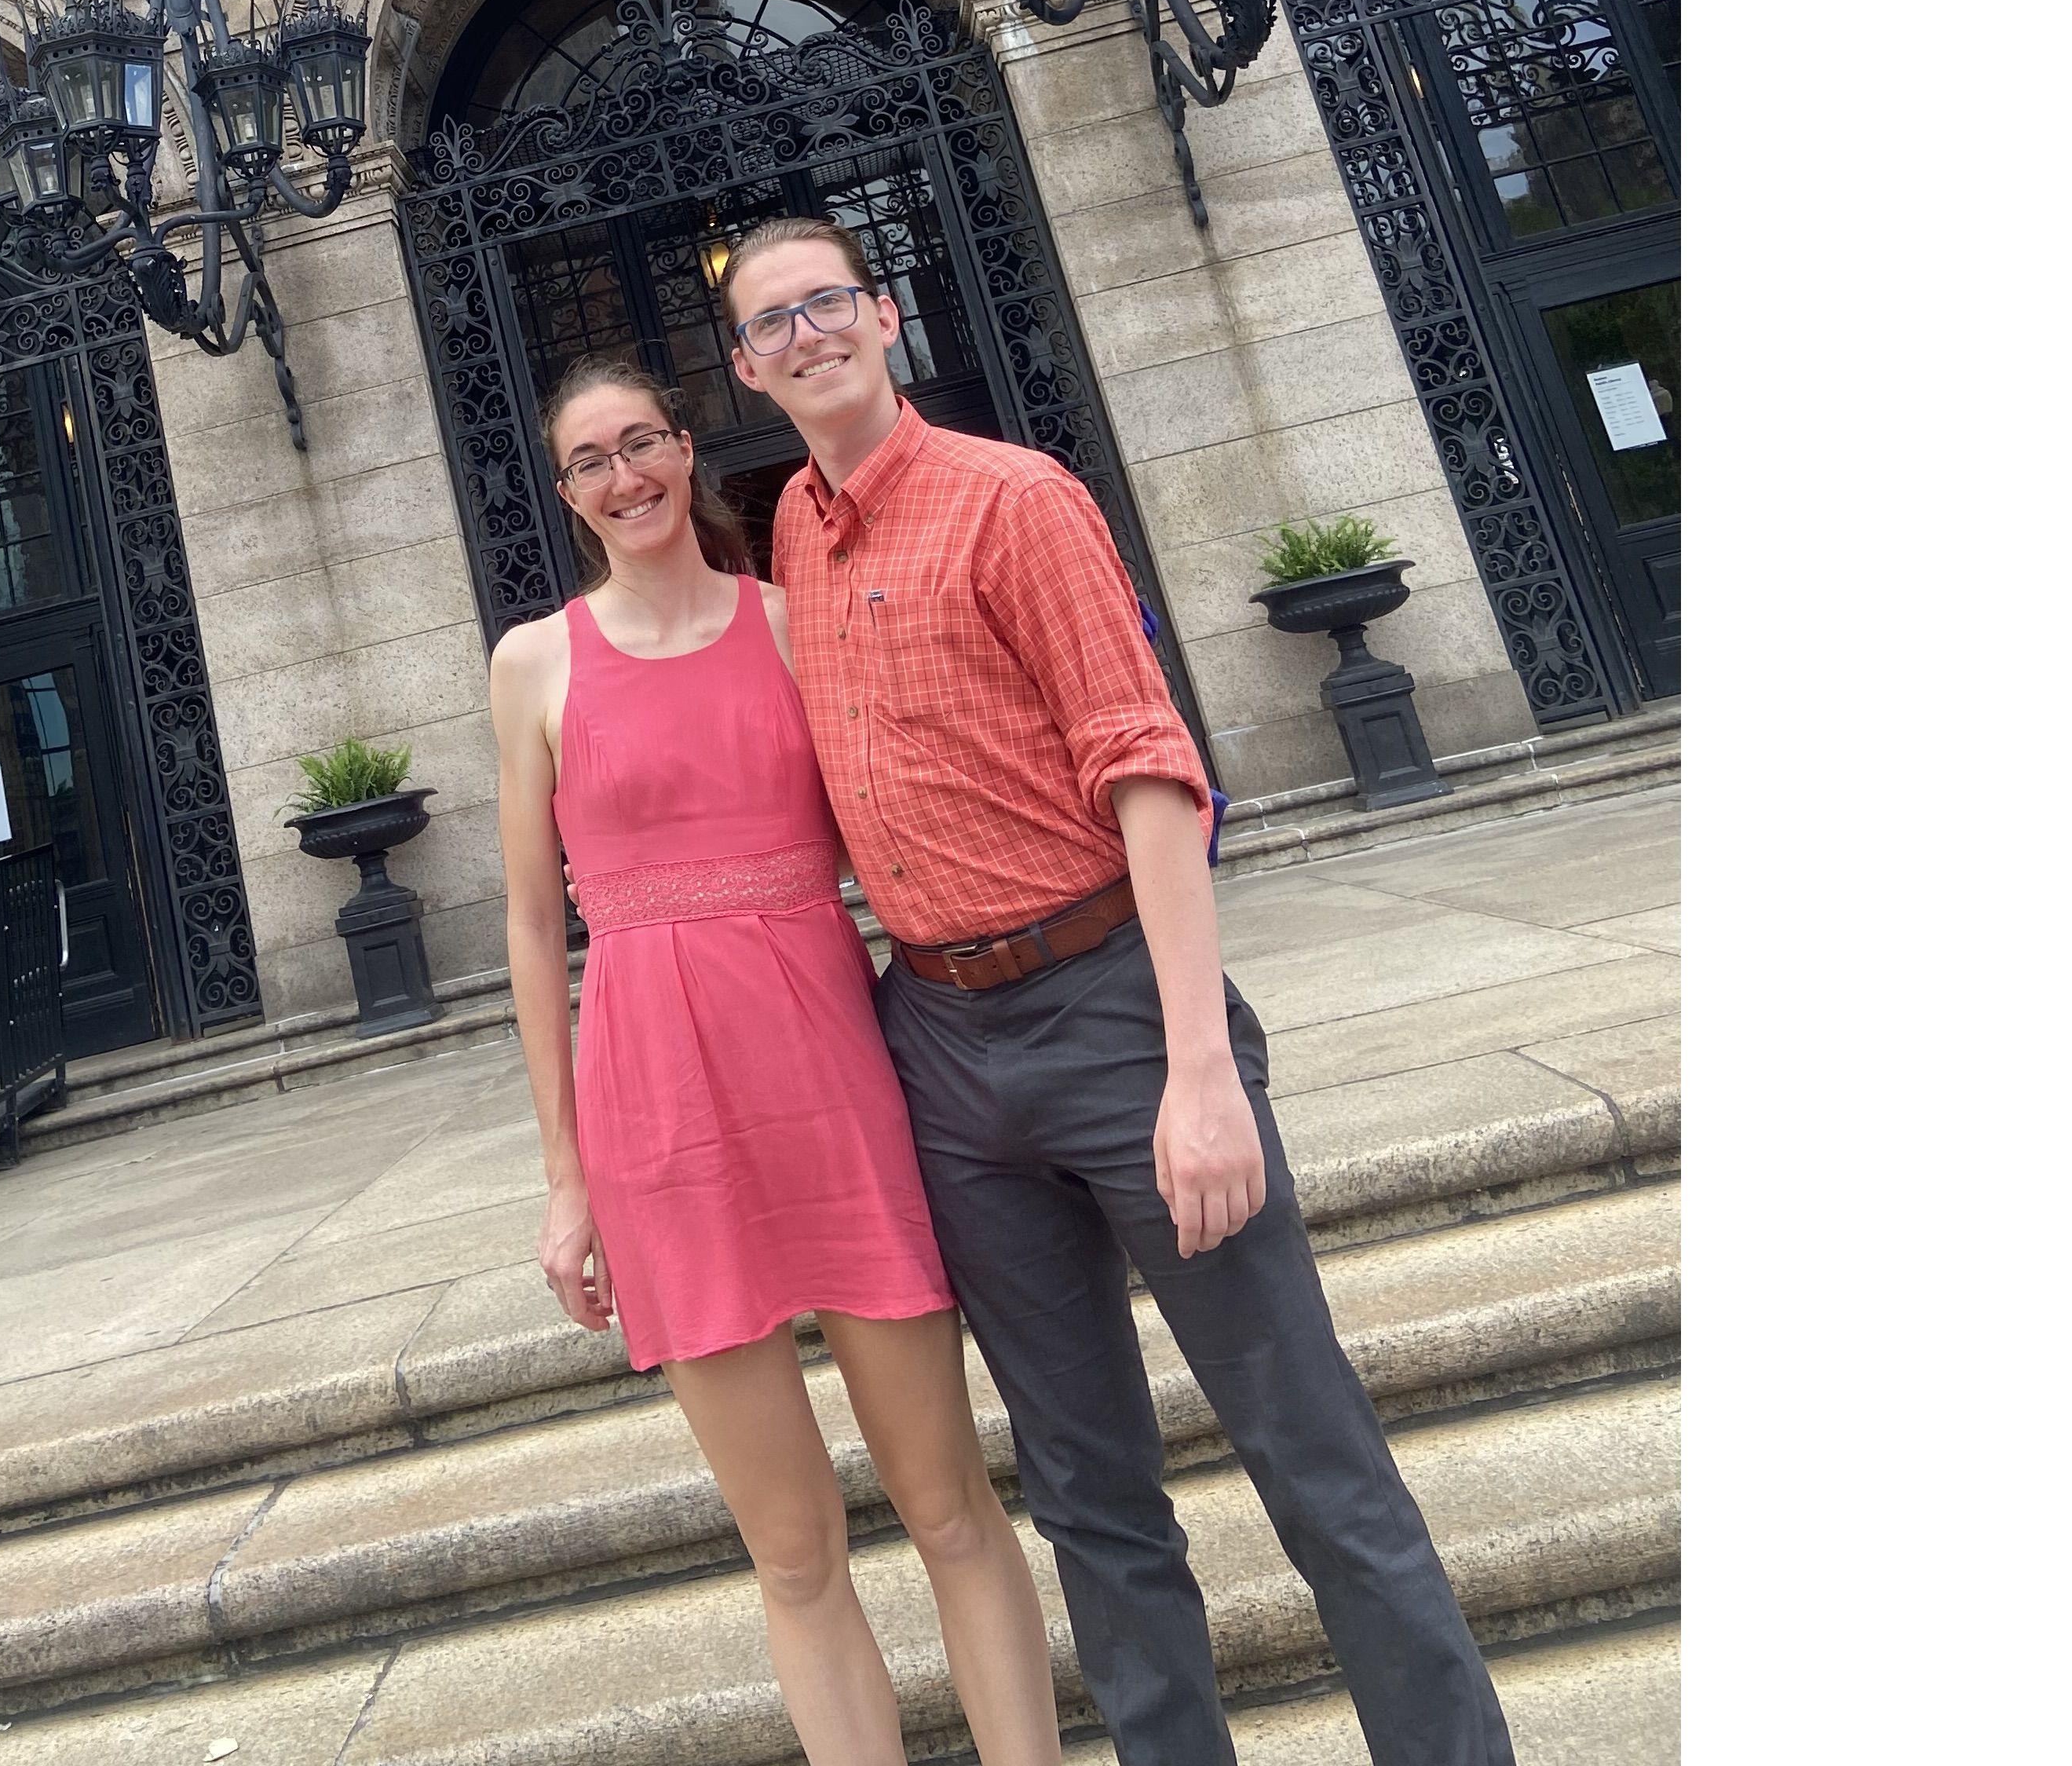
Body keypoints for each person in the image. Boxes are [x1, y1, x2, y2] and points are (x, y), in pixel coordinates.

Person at [718, 215, 1515, 1766]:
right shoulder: (796, 538)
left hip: (1116, 1011)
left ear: (886, 318)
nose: (806, 335)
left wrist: (1200, 1066)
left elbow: (1152, 771)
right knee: (1088, 1493)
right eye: (772, 324)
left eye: (827, 303)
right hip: (942, 1043)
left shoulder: (1016, 500)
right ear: (747, 369)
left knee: (1311, 1453)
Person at [488, 354, 1066, 1766]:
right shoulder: (535, 664)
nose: (623, 477)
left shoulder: (798, 625)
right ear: (567, 496)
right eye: (590, 461)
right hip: (660, 1121)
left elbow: (908, 816)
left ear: (687, 452)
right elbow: (527, 926)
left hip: (834, 1086)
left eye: (641, 445)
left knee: (949, 1508)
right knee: (795, 1553)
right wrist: (566, 1184)